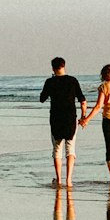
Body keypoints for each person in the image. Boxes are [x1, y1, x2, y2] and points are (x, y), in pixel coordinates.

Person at [39, 57, 86, 187]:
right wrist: (83, 116)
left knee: (57, 149)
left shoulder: (49, 82)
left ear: (53, 68)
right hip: (70, 117)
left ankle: (59, 179)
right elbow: (83, 100)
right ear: (64, 66)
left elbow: (42, 99)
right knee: (70, 149)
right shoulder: (73, 81)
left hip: (55, 118)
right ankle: (69, 180)